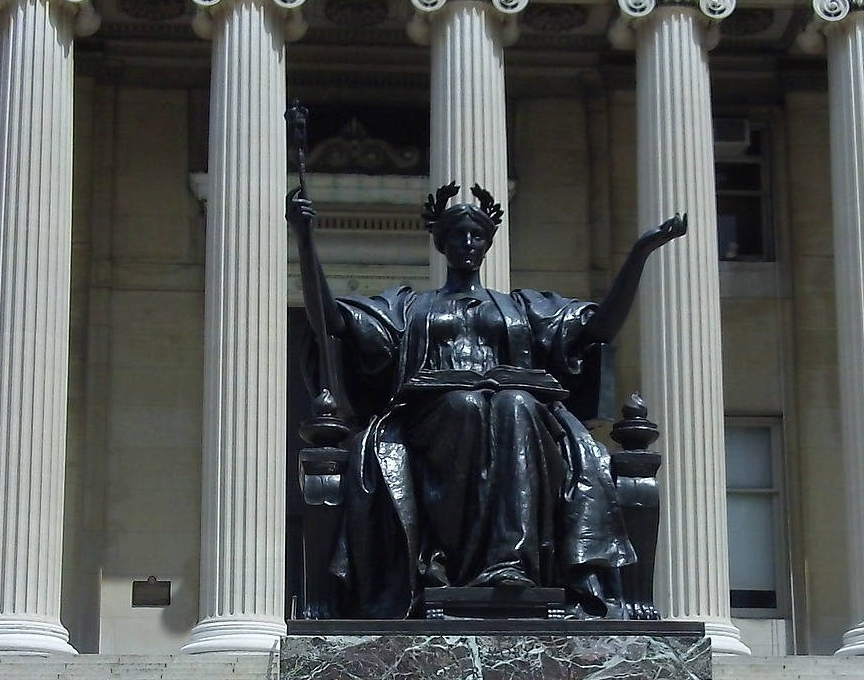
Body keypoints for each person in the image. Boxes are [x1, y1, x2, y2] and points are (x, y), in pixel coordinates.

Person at [288, 181, 686, 619]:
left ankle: (508, 565)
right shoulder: (409, 307)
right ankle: (441, 565)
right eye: (457, 235)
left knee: (514, 404)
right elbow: (331, 319)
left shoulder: (520, 307)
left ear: (488, 243)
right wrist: (305, 240)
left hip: (517, 417)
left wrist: (641, 254)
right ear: (440, 243)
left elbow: (599, 329)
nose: (468, 243)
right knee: (466, 405)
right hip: (429, 420)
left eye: (476, 235)